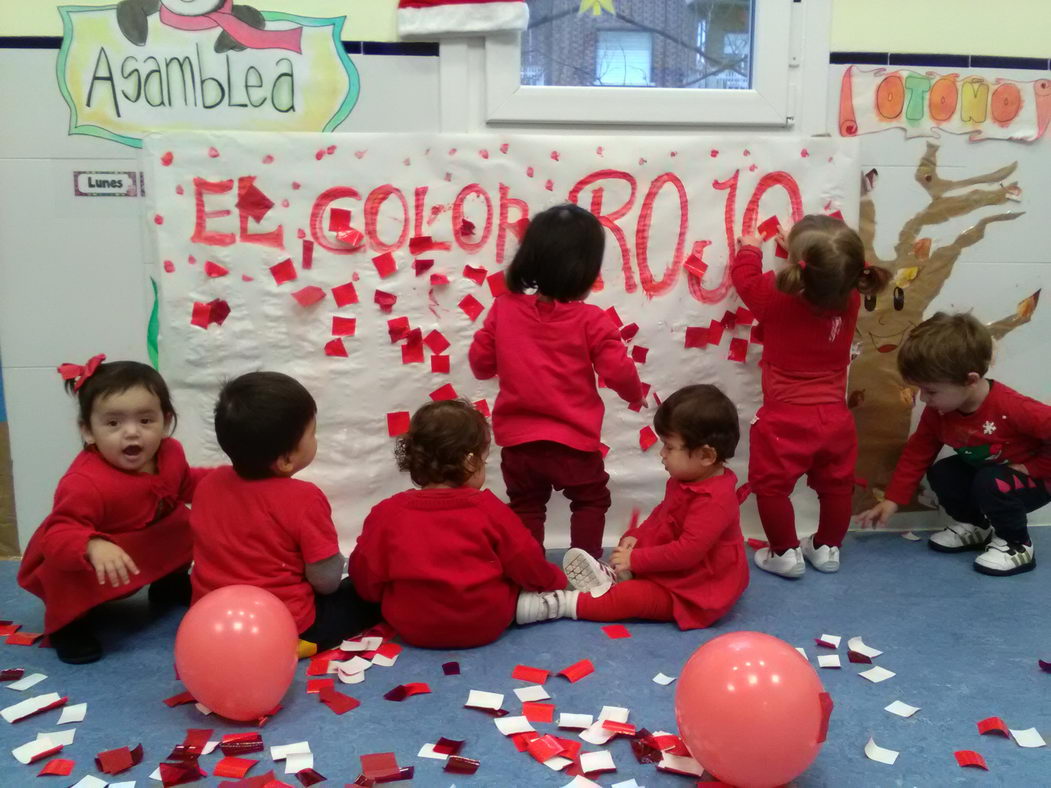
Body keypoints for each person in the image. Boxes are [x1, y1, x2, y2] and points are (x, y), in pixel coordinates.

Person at [469, 203, 645, 558]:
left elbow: (480, 365)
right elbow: (618, 372)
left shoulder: (504, 309)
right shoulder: (592, 321)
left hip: (519, 444)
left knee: (526, 505)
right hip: (573, 443)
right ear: (586, 271)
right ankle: (587, 567)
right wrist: (635, 395)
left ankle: (528, 571)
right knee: (590, 499)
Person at [18, 356, 204, 664]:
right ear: (88, 431)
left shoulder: (170, 453)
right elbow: (57, 536)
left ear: (166, 421)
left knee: (184, 522)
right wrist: (91, 544)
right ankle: (69, 626)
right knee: (66, 569)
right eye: (113, 423)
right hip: (85, 553)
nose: (131, 433)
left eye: (145, 421)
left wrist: (227, 481)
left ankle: (169, 582)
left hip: (141, 541)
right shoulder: (84, 482)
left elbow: (188, 483)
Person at [516, 385, 749, 630]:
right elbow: (664, 512)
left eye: (669, 447)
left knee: (631, 599)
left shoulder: (715, 501)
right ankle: (617, 577)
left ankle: (562, 604)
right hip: (678, 569)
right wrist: (638, 537)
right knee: (630, 564)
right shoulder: (687, 479)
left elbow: (687, 552)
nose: (662, 454)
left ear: (706, 456)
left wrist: (637, 559)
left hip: (695, 588)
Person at [732, 215, 889, 577]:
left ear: (799, 266)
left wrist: (751, 250)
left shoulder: (776, 297)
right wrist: (801, 253)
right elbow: (824, 277)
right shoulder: (850, 297)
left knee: (772, 489)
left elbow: (745, 281)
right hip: (835, 419)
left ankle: (785, 553)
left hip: (785, 420)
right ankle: (827, 548)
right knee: (836, 486)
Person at [350, 399, 567, 648]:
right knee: (513, 578)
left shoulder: (387, 513)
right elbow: (528, 562)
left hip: (412, 627)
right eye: (484, 461)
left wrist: (379, 596)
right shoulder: (490, 509)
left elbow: (365, 576)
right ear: (470, 461)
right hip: (487, 623)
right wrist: (557, 581)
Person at [190, 371, 379, 651]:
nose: (315, 439)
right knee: (363, 595)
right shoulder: (304, 499)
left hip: (212, 621)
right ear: (287, 460)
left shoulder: (207, 484)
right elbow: (326, 582)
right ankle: (304, 644)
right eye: (312, 433)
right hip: (288, 628)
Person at [858, 313, 1050, 575]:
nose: (924, 399)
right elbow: (918, 453)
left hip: (1036, 482)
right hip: (993, 475)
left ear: (970, 380)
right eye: (920, 390)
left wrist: (1035, 467)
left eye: (931, 391)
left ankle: (1017, 544)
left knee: (991, 481)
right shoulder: (939, 413)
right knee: (943, 471)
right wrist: (892, 501)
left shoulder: (1013, 407)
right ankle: (977, 526)